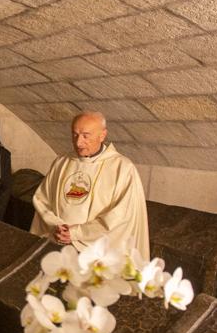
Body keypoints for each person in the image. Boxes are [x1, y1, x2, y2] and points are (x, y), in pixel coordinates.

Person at [30, 111, 149, 259]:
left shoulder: (122, 168)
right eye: (75, 135)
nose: (78, 142)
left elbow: (121, 215)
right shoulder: (62, 162)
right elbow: (42, 199)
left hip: (96, 253)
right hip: (57, 243)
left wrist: (77, 233)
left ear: (102, 135)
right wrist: (56, 225)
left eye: (86, 136)